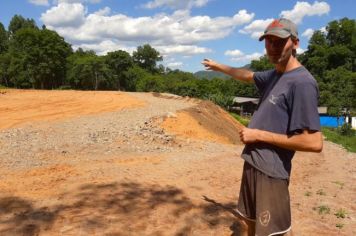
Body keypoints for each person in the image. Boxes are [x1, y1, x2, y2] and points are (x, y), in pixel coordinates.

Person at [202, 18, 323, 236]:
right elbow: (248, 75)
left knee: (272, 232)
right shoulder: (276, 75)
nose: (273, 47)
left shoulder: (302, 83)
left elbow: (313, 142)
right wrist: (218, 66)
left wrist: (258, 134)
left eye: (280, 42)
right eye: (269, 42)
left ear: (295, 43)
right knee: (251, 224)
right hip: (253, 163)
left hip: (272, 171)